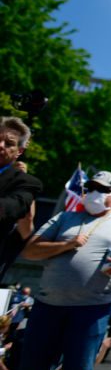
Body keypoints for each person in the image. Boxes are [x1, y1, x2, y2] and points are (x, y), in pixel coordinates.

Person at [18, 169, 111, 370]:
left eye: (102, 190)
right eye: (91, 188)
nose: (95, 193)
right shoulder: (65, 217)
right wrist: (66, 245)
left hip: (90, 311)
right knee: (30, 369)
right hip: (47, 307)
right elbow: (30, 251)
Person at [0, 117, 42, 281]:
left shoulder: (27, 183)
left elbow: (13, 207)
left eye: (9, 143)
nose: (1, 146)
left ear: (19, 151)